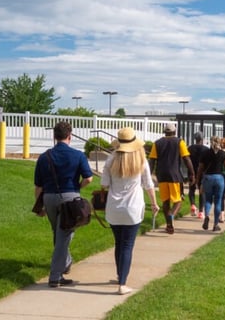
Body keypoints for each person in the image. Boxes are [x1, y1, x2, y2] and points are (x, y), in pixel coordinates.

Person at [33, 121, 94, 287]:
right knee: (64, 235)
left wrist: (39, 206)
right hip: (70, 198)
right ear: (70, 136)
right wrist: (77, 188)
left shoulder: (44, 156)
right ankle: (55, 276)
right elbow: (88, 178)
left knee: (58, 233)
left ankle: (65, 262)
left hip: (49, 198)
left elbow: (38, 186)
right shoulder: (78, 155)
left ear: (54, 136)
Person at [101, 127, 159, 295]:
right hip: (133, 208)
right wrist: (154, 204)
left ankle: (121, 275)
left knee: (119, 243)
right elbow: (149, 185)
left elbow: (104, 184)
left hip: (113, 207)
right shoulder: (141, 159)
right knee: (127, 245)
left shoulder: (111, 160)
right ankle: (122, 283)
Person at [148, 123, 194, 234]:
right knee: (178, 200)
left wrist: (149, 175)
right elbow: (186, 159)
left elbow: (152, 160)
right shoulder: (179, 142)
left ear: (164, 131)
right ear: (174, 131)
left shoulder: (157, 143)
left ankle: (169, 224)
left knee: (165, 201)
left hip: (161, 175)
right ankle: (171, 215)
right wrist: (192, 173)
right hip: (175, 175)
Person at [194, 136, 225, 232]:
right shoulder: (223, 154)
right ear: (219, 143)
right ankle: (215, 224)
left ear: (210, 142)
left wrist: (197, 180)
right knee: (218, 201)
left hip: (208, 178)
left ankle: (207, 215)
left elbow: (200, 168)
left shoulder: (205, 153)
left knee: (208, 199)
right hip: (219, 178)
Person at [187, 131, 209, 218]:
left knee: (191, 189)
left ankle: (192, 204)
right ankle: (200, 211)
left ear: (195, 139)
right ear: (202, 139)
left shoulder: (190, 148)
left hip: (191, 171)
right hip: (202, 172)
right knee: (202, 191)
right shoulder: (206, 149)